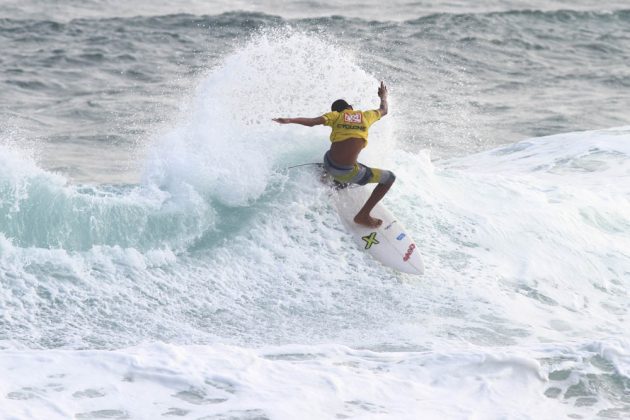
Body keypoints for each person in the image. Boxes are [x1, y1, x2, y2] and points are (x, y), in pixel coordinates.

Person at [273, 81, 394, 228]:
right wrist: (383, 96)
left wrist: (289, 120)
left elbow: (312, 122)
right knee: (389, 178)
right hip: (345, 171)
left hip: (329, 161)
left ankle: (329, 176)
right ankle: (363, 215)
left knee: (340, 155)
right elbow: (384, 110)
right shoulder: (366, 116)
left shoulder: (335, 116)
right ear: (350, 108)